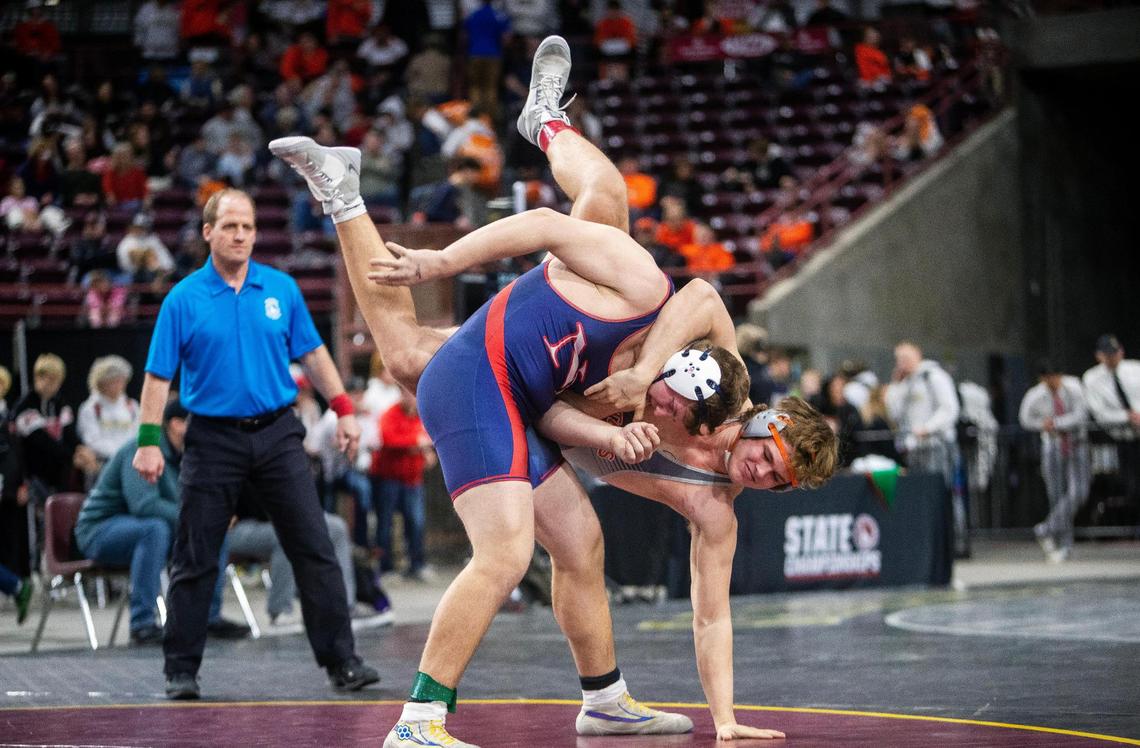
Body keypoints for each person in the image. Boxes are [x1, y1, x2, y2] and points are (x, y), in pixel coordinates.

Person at [270, 35, 779, 746]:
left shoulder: (712, 479)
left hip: (536, 388)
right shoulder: (660, 319)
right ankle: (544, 120)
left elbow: (554, 417)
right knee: (602, 200)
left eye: (773, 480)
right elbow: (698, 295)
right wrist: (635, 374)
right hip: (518, 359)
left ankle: (603, 701)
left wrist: (724, 722)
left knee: (574, 538)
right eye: (664, 395)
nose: (660, 409)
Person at [132, 188, 379, 700]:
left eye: (247, 227)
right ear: (208, 233)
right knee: (196, 553)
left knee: (314, 546)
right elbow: (158, 378)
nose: (240, 235)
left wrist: (345, 411)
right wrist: (149, 442)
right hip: (212, 438)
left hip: (276, 434)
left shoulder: (281, 289)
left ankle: (344, 662)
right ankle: (181, 669)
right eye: (229, 227)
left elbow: (313, 355)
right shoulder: (183, 298)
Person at [76, 398, 249, 644]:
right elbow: (144, 505)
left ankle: (208, 618)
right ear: (177, 424)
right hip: (99, 530)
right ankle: (142, 624)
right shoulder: (142, 448)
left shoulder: (189, 455)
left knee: (213, 530)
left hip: (149, 530)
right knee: (154, 529)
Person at [1019, 361, 1091, 563]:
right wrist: (1042, 425)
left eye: (1057, 376)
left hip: (1077, 443)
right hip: (1053, 446)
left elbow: (1081, 414)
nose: (1054, 381)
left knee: (1079, 491)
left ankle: (1046, 528)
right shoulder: (1035, 395)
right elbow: (1025, 419)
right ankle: (1063, 545)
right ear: (1043, 379)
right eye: (1049, 377)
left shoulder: (1074, 388)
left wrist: (1058, 423)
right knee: (1056, 494)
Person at [373, 386, 434, 580]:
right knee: (386, 523)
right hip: (389, 478)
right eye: (408, 393)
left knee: (416, 523)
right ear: (401, 394)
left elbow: (428, 441)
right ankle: (386, 567)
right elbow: (389, 439)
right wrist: (416, 443)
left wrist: (427, 453)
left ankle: (416, 565)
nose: (413, 398)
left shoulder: (420, 416)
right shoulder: (390, 414)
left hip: (413, 479)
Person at [1081, 334, 1140, 503]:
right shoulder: (1092, 379)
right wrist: (1126, 417)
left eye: (1115, 352)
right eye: (1108, 354)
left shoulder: (1136, 369)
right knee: (1132, 486)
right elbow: (1099, 413)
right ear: (1099, 356)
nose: (1113, 357)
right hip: (1124, 439)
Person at [77, 355, 140, 474]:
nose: (119, 385)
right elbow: (92, 440)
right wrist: (119, 455)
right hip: (102, 465)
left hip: (131, 464)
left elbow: (138, 433)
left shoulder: (132, 406)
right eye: (114, 381)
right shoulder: (90, 408)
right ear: (101, 382)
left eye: (122, 380)